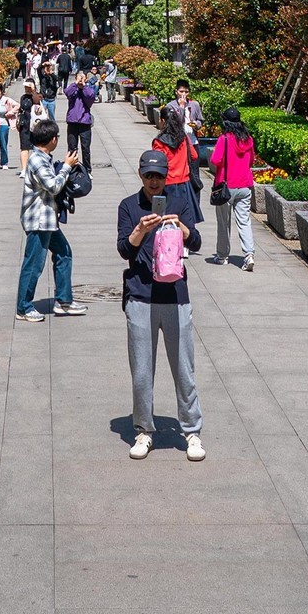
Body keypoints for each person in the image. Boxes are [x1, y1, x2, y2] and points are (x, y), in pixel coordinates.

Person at [117, 148, 204, 462]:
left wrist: (182, 228)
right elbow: (124, 249)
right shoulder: (128, 206)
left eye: (159, 175)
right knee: (141, 371)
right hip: (140, 296)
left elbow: (196, 243)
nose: (154, 182)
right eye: (148, 175)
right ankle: (144, 430)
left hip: (176, 297)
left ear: (167, 176)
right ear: (140, 175)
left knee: (184, 369)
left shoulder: (180, 203)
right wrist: (141, 230)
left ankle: (192, 431)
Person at [16, 116, 86, 323]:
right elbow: (53, 186)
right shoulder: (37, 160)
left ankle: (64, 301)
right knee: (34, 264)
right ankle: (23, 307)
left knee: (64, 253)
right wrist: (66, 166)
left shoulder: (42, 157)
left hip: (48, 220)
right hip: (39, 221)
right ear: (52, 139)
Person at [210, 105, 257, 271]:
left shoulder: (224, 139)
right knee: (244, 222)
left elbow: (215, 160)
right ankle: (248, 255)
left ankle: (222, 256)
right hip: (244, 185)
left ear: (226, 122)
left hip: (226, 186)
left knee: (224, 223)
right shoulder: (248, 139)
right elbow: (251, 161)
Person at [153, 106, 203, 224]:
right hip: (184, 184)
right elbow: (194, 156)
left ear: (163, 121)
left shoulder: (159, 142)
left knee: (165, 221)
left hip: (166, 185)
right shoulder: (184, 138)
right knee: (185, 221)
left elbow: (158, 164)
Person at [64, 67, 97, 173]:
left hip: (84, 122)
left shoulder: (88, 89)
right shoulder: (73, 89)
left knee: (86, 148)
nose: (81, 79)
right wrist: (75, 84)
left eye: (83, 77)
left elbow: (91, 97)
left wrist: (83, 87)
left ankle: (87, 170)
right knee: (72, 147)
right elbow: (67, 92)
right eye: (79, 77)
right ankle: (72, 169)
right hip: (72, 121)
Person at [16, 79, 44, 179]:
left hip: (36, 125)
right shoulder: (23, 97)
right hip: (25, 125)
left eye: (29, 86)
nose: (27, 89)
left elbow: (37, 101)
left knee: (38, 147)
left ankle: (38, 168)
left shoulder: (38, 95)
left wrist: (33, 91)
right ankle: (24, 169)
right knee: (24, 147)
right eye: (26, 87)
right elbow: (25, 105)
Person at [0, 82, 18, 170]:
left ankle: (4, 162)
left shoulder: (6, 100)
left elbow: (17, 105)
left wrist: (9, 113)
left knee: (3, 144)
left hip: (3, 124)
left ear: (1, 91)